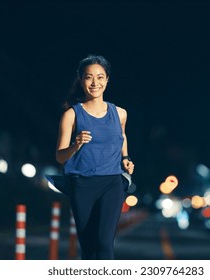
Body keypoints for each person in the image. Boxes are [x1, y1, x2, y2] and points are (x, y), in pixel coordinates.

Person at [55, 54, 134, 260]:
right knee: (89, 247)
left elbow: (122, 135)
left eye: (100, 77)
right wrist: (76, 145)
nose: (95, 83)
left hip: (111, 183)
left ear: (107, 80)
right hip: (81, 184)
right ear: (81, 80)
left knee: (105, 243)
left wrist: (125, 158)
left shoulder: (120, 113)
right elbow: (60, 157)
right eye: (89, 77)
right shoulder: (71, 115)